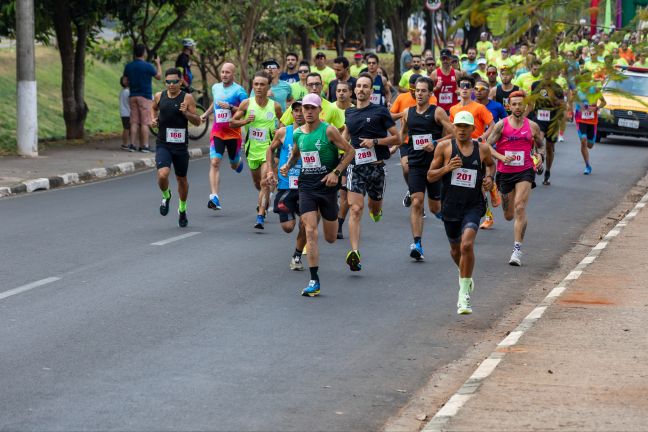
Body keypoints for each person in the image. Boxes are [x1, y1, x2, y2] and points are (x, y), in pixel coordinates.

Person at [280, 94, 355, 296]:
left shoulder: (328, 130)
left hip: (328, 188)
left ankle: (332, 216)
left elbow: (350, 151)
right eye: (306, 108)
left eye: (313, 108)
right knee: (311, 231)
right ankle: (314, 280)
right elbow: (297, 153)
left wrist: (336, 173)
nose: (309, 112)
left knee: (330, 237)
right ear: (301, 111)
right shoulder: (297, 134)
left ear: (319, 110)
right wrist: (288, 165)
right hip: (306, 187)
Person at [427, 111, 496, 314]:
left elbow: (491, 166)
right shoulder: (444, 147)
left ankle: (463, 296)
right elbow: (430, 176)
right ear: (453, 127)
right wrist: (447, 168)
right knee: (456, 251)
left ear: (473, 129)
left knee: (467, 245)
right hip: (450, 206)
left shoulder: (481, 149)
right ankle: (466, 276)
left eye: (466, 126)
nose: (462, 130)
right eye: (458, 126)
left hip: (473, 205)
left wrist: (490, 179)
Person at [343, 73, 401, 272]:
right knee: (355, 209)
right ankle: (355, 252)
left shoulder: (380, 111)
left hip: (376, 167)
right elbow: (345, 137)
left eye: (365, 86)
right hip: (356, 167)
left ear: (371, 90)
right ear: (354, 90)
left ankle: (376, 210)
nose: (361, 89)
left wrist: (376, 142)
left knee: (374, 208)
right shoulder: (349, 113)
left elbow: (398, 138)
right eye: (358, 86)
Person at [486, 91, 545, 266]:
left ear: (525, 106)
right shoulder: (501, 126)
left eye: (521, 104)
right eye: (514, 104)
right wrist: (501, 157)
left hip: (525, 171)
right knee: (508, 215)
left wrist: (540, 156)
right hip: (505, 173)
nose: (518, 107)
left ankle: (517, 250)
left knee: (520, 208)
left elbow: (541, 147)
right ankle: (501, 197)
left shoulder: (532, 126)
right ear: (509, 106)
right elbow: (487, 146)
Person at [400, 77, 453, 260]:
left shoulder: (437, 112)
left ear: (431, 94)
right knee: (416, 202)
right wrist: (394, 150)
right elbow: (403, 136)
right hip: (416, 164)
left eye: (423, 91)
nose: (419, 94)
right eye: (417, 90)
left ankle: (450, 221)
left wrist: (435, 142)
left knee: (435, 208)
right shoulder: (407, 113)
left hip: (435, 166)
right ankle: (417, 244)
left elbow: (453, 133)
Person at [230, 71, 283, 229]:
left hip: (268, 151)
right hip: (251, 151)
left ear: (268, 86)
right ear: (253, 86)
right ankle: (264, 201)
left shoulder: (275, 106)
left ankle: (260, 215)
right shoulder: (247, 103)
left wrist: (278, 132)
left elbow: (283, 124)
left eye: (262, 84)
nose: (259, 87)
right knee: (258, 184)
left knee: (265, 183)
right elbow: (232, 123)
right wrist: (245, 120)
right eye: (256, 84)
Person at [151, 68, 202, 227]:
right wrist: (154, 120)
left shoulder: (187, 98)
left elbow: (197, 121)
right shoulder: (160, 96)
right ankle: (166, 196)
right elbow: (153, 108)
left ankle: (182, 209)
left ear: (180, 82)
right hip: (163, 143)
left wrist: (186, 113)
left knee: (182, 179)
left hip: (180, 146)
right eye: (168, 82)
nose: (171, 84)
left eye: (174, 81)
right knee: (162, 175)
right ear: (165, 82)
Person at [265, 101, 307, 271]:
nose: (299, 114)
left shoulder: (316, 132)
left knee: (306, 223)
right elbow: (270, 150)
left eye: (301, 110)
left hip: (307, 185)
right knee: (288, 227)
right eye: (295, 111)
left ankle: (297, 256)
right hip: (286, 184)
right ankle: (294, 215)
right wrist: (270, 171)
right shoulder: (284, 132)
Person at [200, 62, 248, 210]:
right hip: (217, 132)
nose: (224, 75)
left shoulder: (240, 91)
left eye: (227, 72)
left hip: (233, 133)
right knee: (215, 162)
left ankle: (237, 161)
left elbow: (246, 110)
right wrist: (206, 114)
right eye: (222, 72)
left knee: (233, 164)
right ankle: (214, 197)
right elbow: (215, 103)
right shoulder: (215, 87)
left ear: (233, 74)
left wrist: (231, 108)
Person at [390, 73, 438, 207]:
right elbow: (391, 116)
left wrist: (436, 142)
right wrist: (405, 113)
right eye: (414, 90)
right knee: (406, 169)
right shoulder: (402, 98)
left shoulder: (431, 102)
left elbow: (432, 113)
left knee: (435, 204)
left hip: (428, 144)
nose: (416, 93)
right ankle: (412, 189)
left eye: (422, 90)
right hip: (407, 142)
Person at [474, 79, 505, 229]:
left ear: (488, 91)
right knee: (479, 183)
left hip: (490, 145)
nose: (478, 91)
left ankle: (488, 215)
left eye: (482, 88)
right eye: (476, 88)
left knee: (483, 179)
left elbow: (506, 123)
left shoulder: (497, 106)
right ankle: (488, 213)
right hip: (474, 147)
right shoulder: (471, 105)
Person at [526, 67, 564, 185]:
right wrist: (523, 117)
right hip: (539, 119)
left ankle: (547, 171)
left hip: (552, 121)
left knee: (549, 147)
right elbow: (531, 104)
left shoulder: (557, 88)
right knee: (538, 142)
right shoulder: (535, 85)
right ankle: (537, 166)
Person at [123, 43, 162, 153]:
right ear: (144, 52)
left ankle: (132, 145)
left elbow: (125, 81)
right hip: (145, 96)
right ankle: (144, 146)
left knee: (134, 121)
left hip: (133, 96)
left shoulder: (128, 66)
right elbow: (159, 76)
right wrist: (158, 63)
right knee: (145, 122)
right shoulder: (148, 66)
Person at [280, 72, 345, 130]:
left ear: (322, 86)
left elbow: (342, 129)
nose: (314, 88)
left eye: (317, 84)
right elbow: (282, 125)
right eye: (310, 85)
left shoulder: (332, 107)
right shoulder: (297, 105)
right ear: (306, 86)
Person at [334, 81, 354, 239]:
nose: (341, 93)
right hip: (330, 155)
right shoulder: (328, 109)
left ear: (350, 93)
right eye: (338, 90)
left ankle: (339, 224)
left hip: (349, 156)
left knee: (345, 193)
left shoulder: (355, 110)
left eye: (344, 91)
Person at [449, 75, 494, 141]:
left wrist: (481, 138)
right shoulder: (452, 109)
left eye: (467, 86)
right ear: (458, 88)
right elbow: (452, 129)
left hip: (477, 146)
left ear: (472, 89)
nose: (464, 88)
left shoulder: (480, 107)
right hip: (459, 146)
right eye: (462, 86)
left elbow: (492, 125)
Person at [574, 84, 606, 175]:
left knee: (590, 145)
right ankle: (587, 166)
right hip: (580, 120)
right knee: (583, 141)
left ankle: (587, 146)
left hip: (592, 122)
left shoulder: (595, 89)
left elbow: (604, 102)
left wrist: (596, 108)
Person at [430, 48, 463, 114]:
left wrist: (460, 91)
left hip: (454, 108)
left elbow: (464, 88)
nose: (445, 61)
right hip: (438, 108)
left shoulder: (457, 73)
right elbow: (429, 91)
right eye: (443, 59)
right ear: (440, 60)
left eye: (447, 59)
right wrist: (436, 88)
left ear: (451, 59)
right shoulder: (434, 74)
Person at [119, 75, 133, 151]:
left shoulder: (123, 91)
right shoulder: (128, 92)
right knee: (127, 129)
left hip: (124, 112)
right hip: (127, 113)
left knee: (127, 128)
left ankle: (126, 143)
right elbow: (130, 102)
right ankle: (125, 144)